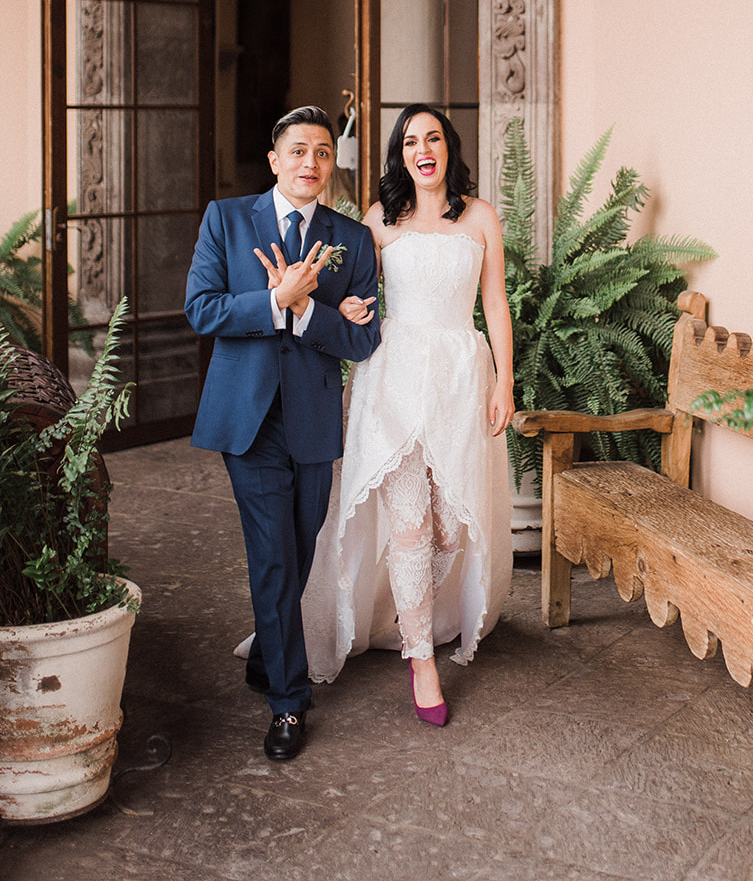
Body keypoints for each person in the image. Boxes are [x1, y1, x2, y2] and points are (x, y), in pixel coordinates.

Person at [300, 104, 514, 724]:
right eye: (412, 141)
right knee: (411, 526)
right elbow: (352, 292)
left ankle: (408, 606)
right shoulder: (379, 219)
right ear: (401, 154)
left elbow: (494, 304)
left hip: (457, 381)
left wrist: (505, 382)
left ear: (449, 149)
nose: (424, 149)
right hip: (392, 380)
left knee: (450, 523)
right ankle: (422, 658)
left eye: (435, 138)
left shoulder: (479, 218)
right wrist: (340, 310)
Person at [185, 105, 380, 761]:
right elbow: (201, 307)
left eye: (323, 153)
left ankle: (269, 657)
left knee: (296, 551)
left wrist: (305, 310)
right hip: (248, 421)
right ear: (274, 159)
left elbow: (363, 337)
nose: (310, 163)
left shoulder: (351, 240)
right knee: (273, 556)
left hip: (314, 420)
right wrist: (272, 302)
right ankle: (289, 705)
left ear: (332, 164)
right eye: (297, 151)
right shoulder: (227, 220)